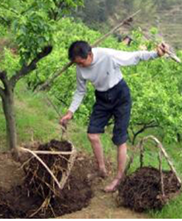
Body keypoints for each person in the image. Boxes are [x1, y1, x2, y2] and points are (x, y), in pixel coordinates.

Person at [59, 41, 169, 192]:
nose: (80, 66)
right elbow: (80, 91)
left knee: (120, 139)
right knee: (92, 134)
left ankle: (118, 178)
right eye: (77, 63)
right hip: (102, 98)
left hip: (120, 96)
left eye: (82, 62)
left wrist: (156, 54)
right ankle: (101, 169)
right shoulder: (80, 68)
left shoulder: (107, 55)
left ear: (90, 54)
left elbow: (133, 57)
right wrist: (70, 112)